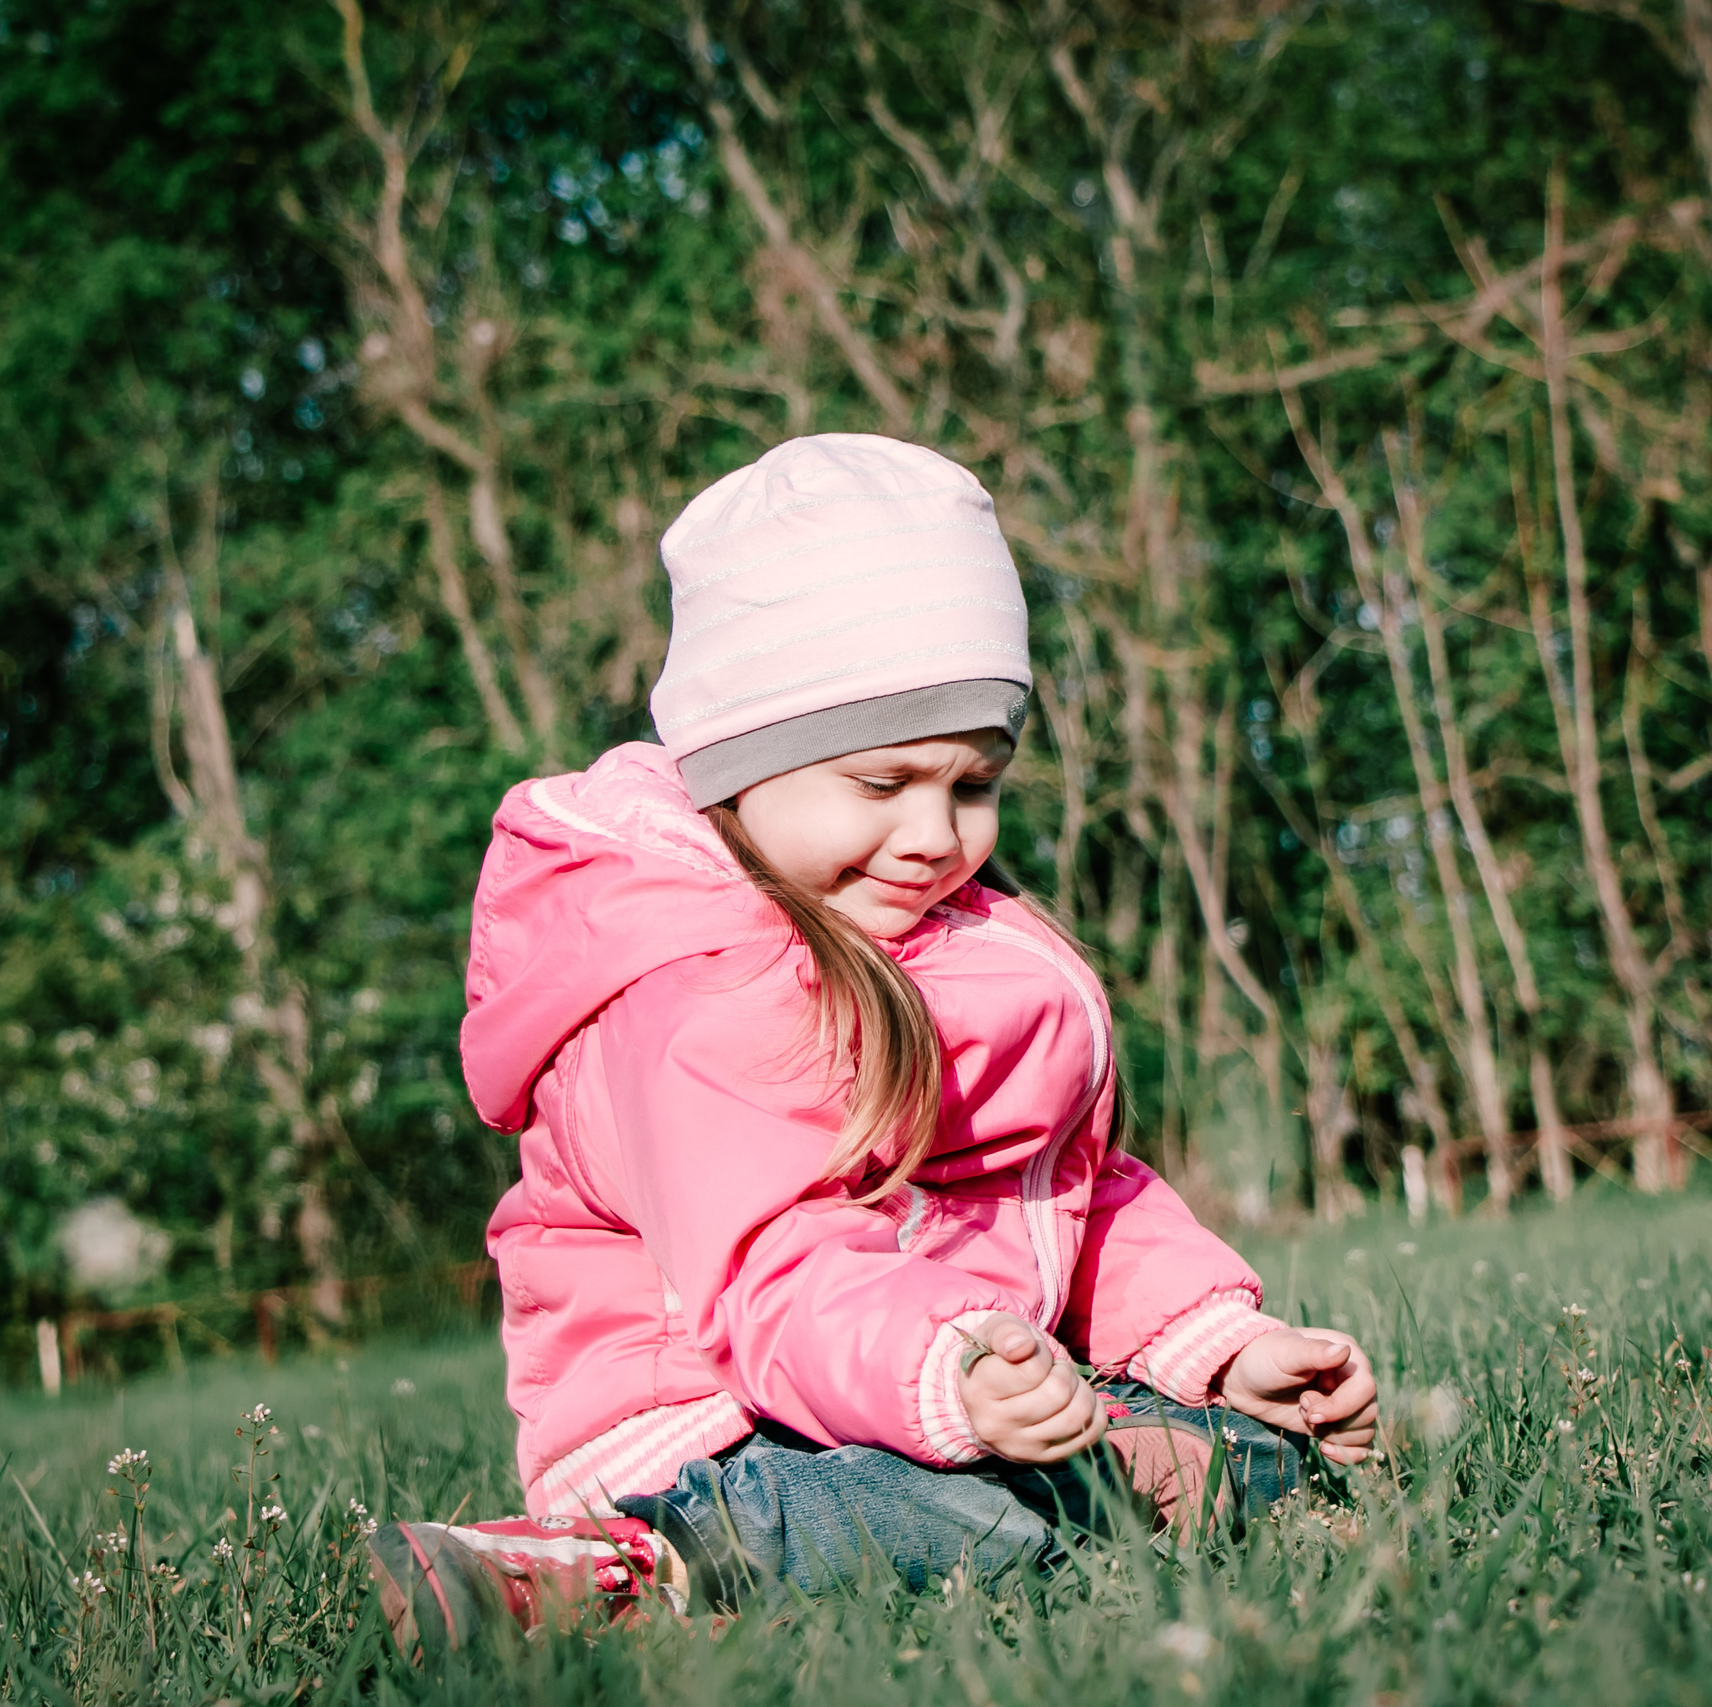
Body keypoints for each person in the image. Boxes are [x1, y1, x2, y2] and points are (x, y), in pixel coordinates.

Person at [368, 435, 1378, 1652]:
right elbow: (776, 1268)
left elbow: (1069, 1191)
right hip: (713, 1432)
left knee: (1269, 1460)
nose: (934, 835)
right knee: (977, 1520)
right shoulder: (693, 991)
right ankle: (611, 1566)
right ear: (741, 766)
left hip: (930, 1398)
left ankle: (1139, 1468)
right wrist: (946, 1368)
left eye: (973, 784)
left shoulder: (947, 943)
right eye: (882, 781)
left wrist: (1223, 1344)